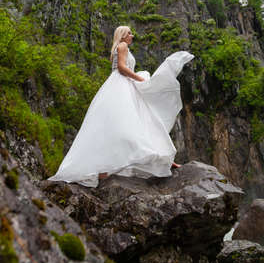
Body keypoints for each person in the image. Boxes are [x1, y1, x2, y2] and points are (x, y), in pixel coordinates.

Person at [48, 26, 194, 187]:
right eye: (130, 33)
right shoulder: (122, 46)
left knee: (130, 124)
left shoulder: (121, 47)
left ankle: (156, 159)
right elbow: (122, 68)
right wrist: (140, 79)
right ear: (123, 36)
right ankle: (158, 159)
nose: (132, 35)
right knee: (135, 124)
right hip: (121, 85)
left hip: (121, 85)